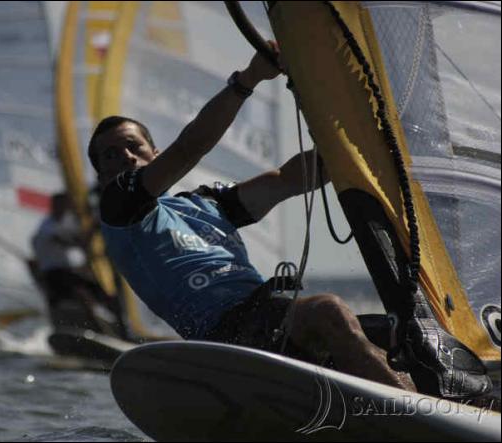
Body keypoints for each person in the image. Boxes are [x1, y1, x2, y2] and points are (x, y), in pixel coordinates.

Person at [86, 40, 492, 399]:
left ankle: (452, 411)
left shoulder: (207, 205)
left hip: (271, 317)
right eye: (110, 155)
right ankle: (412, 417)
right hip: (224, 337)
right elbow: (189, 150)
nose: (124, 157)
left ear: (150, 152)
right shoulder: (120, 209)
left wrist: (360, 136)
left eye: (132, 147)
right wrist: (246, 80)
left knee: (405, 335)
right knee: (328, 311)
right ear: (101, 174)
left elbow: (289, 178)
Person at [31, 193, 126, 337]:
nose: (64, 207)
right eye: (60, 204)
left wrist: (93, 228)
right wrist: (93, 228)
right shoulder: (47, 225)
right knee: (81, 296)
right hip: (55, 273)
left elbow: (79, 241)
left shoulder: (67, 222)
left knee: (106, 297)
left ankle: (121, 330)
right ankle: (97, 331)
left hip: (67, 271)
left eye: (65, 204)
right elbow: (72, 242)